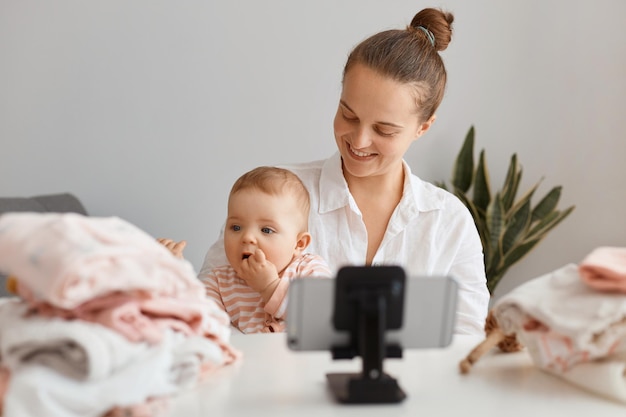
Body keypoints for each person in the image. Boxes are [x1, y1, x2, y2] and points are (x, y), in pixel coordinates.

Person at [199, 8, 490, 335]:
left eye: (384, 129)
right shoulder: (275, 195)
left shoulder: (448, 221)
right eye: (348, 115)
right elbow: (204, 317)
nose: (359, 140)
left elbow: (466, 340)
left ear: (423, 127)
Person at [163, 166, 331, 334]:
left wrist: (270, 287)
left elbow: (325, 315)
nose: (247, 237)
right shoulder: (220, 281)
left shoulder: (308, 268)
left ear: (299, 244)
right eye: (236, 227)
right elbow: (199, 318)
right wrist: (177, 275)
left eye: (266, 230)